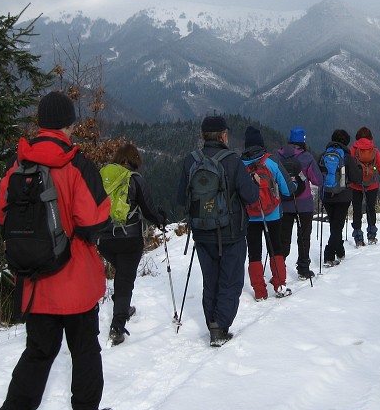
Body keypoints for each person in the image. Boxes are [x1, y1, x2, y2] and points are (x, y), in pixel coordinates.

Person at [0, 91, 114, 410]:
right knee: (85, 351)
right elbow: (94, 221)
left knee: (38, 352)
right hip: (75, 281)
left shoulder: (18, 164)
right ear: (69, 124)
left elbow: (0, 215)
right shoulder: (77, 165)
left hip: (35, 282)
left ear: (41, 123)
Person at [176, 115, 258, 346]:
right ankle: (220, 327)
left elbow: (182, 198)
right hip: (231, 233)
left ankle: (212, 320)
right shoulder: (233, 161)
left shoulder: (190, 161)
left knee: (210, 280)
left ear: (202, 136)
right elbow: (250, 196)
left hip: (202, 232)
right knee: (230, 281)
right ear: (224, 135)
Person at [97, 143, 167, 346]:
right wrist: (160, 218)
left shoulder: (101, 176)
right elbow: (148, 210)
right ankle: (117, 326)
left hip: (104, 240)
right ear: (132, 161)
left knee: (122, 273)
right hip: (129, 238)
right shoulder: (135, 179)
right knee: (126, 278)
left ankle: (122, 304)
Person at [241, 126, 294, 300]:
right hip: (272, 214)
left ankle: (259, 291)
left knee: (254, 252)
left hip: (250, 215)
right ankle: (279, 284)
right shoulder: (271, 161)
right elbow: (287, 190)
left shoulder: (240, 165)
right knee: (276, 248)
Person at [277, 127, 323, 280]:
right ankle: (303, 268)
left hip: (284, 202)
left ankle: (279, 269)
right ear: (303, 141)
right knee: (304, 237)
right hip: (304, 204)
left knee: (284, 237)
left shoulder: (278, 156)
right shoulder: (307, 158)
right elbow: (318, 180)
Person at [319, 129, 362, 267]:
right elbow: (356, 178)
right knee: (337, 226)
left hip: (327, 195)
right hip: (343, 196)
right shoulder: (347, 157)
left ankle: (340, 250)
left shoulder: (323, 155)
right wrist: (359, 169)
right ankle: (329, 255)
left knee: (334, 224)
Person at [349, 126, 380, 247]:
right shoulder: (374, 151)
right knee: (371, 208)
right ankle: (372, 235)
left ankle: (358, 237)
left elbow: (348, 166)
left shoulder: (353, 150)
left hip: (356, 184)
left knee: (357, 210)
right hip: (372, 184)